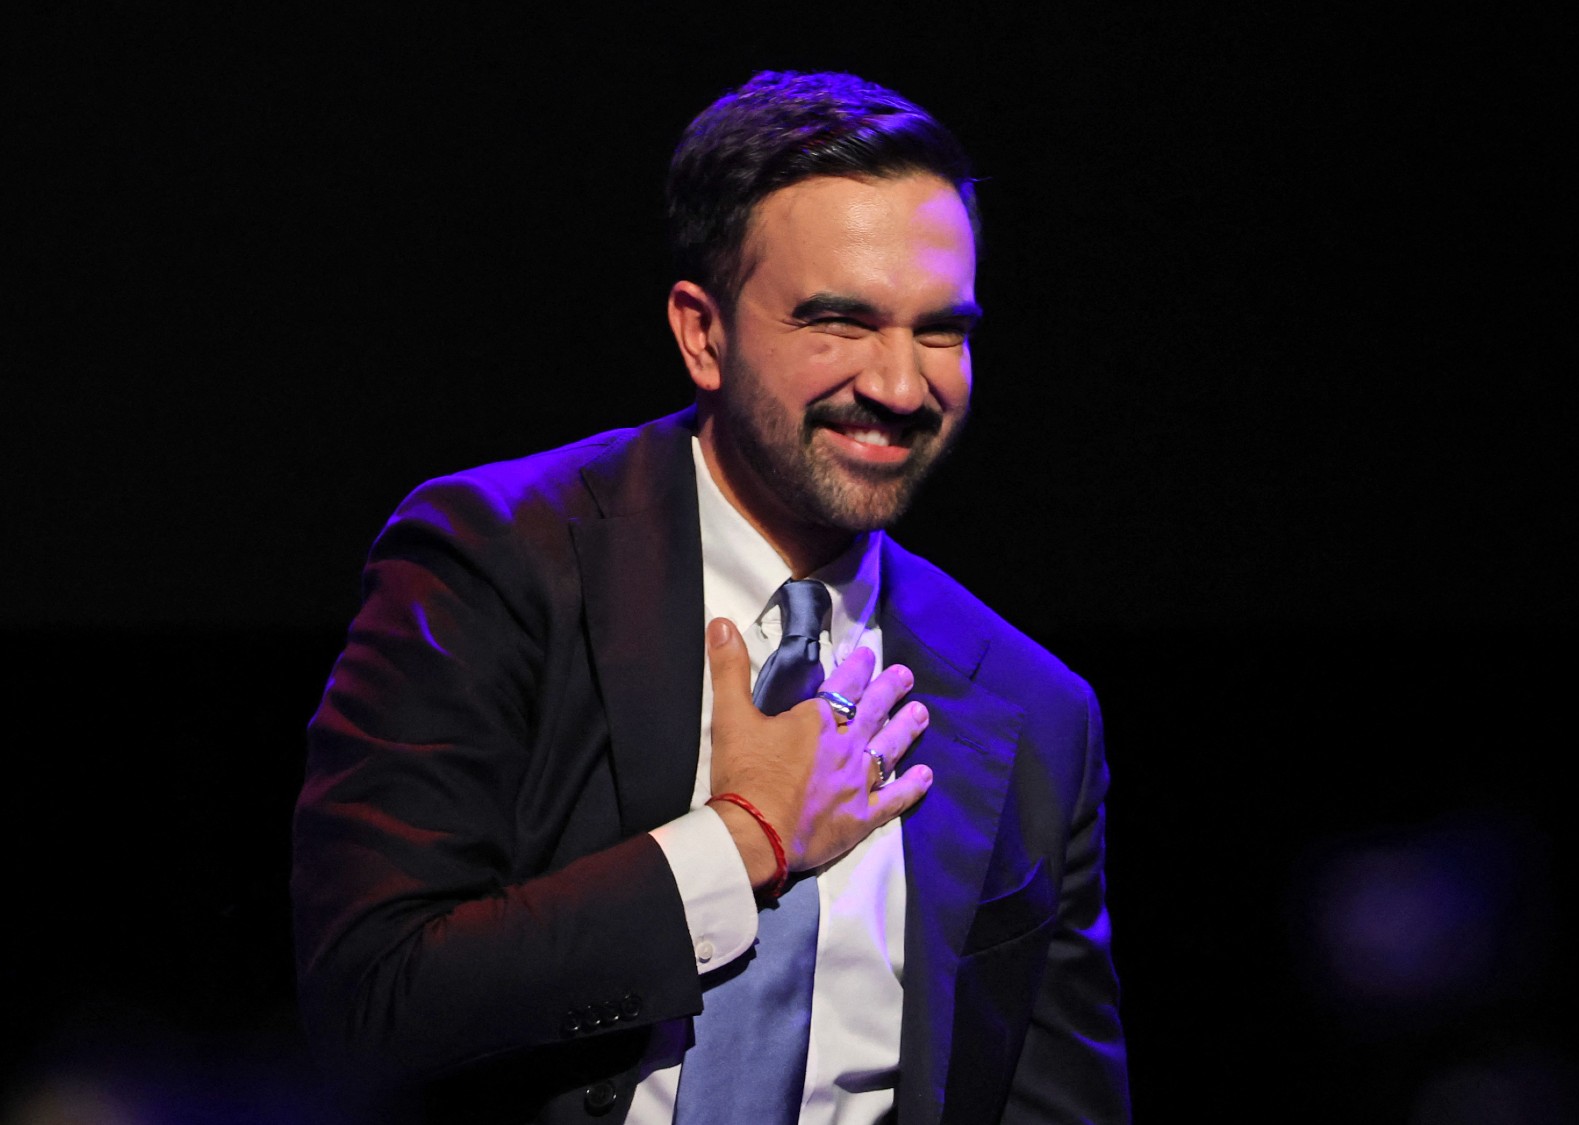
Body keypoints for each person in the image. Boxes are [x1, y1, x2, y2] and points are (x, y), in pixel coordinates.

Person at [291, 70, 1130, 1124]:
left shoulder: (1033, 709)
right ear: (702, 333)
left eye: (939, 331)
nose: (901, 386)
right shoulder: (498, 563)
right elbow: (370, 1000)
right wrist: (742, 842)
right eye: (840, 320)